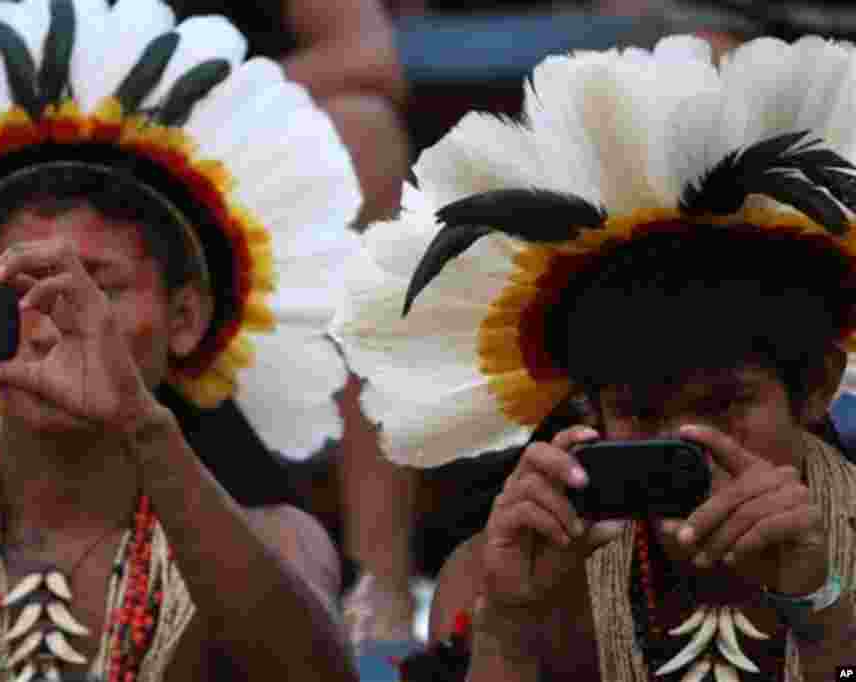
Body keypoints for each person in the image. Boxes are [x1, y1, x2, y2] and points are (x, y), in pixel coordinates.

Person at [0, 1, 364, 680]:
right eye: (17, 286)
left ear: (186, 320)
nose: (57, 315)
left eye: (96, 288)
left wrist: (144, 426)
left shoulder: (273, 541)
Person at [332, 34, 856, 680]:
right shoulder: (507, 582)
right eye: (639, 413)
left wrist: (820, 610)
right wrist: (511, 633)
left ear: (818, 388)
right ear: (591, 412)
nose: (685, 439)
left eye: (725, 403)